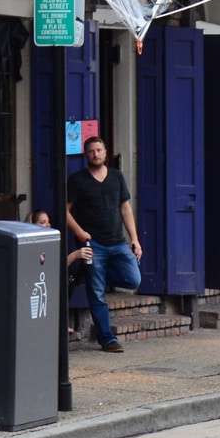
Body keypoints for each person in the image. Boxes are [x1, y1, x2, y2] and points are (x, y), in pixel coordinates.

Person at [65, 136, 142, 353]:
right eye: (91, 151)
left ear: (105, 152)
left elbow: (125, 208)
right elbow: (65, 210)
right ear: (85, 155)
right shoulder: (77, 180)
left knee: (133, 279)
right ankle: (107, 339)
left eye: (99, 150)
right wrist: (80, 232)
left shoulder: (117, 177)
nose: (95, 154)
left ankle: (90, 275)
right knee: (97, 293)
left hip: (118, 242)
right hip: (93, 244)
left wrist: (134, 239)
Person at [32, 209, 93, 341]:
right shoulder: (32, 243)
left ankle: (59, 323)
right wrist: (75, 255)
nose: (47, 225)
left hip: (51, 283)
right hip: (38, 284)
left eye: (48, 222)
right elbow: (53, 268)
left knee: (69, 278)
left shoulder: (52, 241)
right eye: (42, 222)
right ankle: (57, 325)